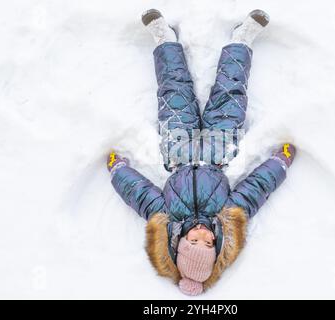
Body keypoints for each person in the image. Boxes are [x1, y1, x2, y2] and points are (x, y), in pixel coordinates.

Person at [107, 9, 296, 295]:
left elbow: (139, 194)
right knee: (229, 95)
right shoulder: (228, 219)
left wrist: (118, 169)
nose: (203, 236)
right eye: (209, 244)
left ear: (180, 244)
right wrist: (280, 162)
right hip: (220, 152)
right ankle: (242, 40)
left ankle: (163, 40)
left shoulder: (165, 218)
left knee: (173, 93)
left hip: (178, 150)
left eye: (194, 243)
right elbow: (256, 188)